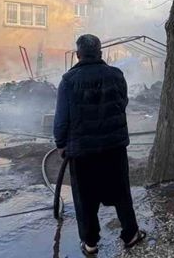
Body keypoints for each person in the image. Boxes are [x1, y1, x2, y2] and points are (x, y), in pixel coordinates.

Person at [54, 34, 146, 255]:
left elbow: (61, 118)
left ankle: (90, 243)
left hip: (82, 151)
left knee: (85, 198)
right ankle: (131, 234)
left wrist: (60, 143)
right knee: (121, 192)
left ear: (78, 55)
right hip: (114, 148)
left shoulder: (68, 80)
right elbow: (122, 103)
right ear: (100, 53)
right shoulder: (116, 75)